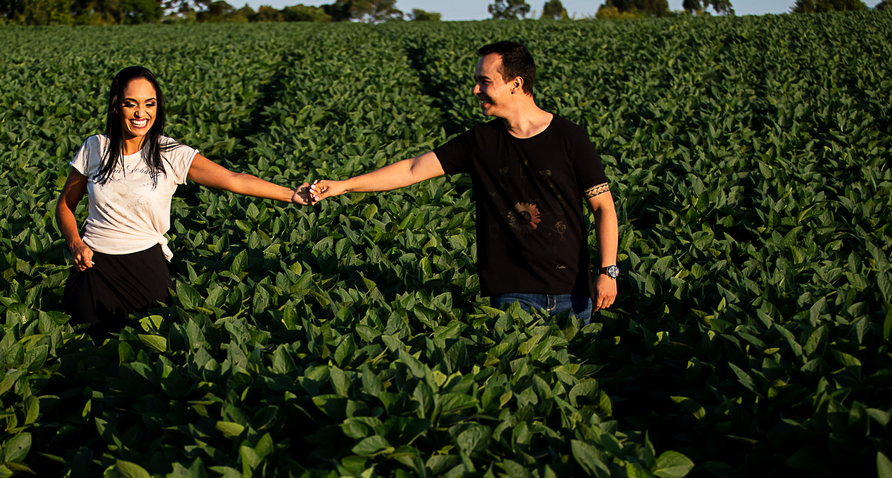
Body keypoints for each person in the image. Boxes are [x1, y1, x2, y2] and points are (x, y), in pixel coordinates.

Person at [309, 41, 618, 324]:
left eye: (485, 82)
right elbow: (413, 169)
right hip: (512, 294)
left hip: (572, 292)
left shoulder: (569, 137)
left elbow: (603, 206)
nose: (475, 90)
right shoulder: (480, 142)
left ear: (516, 84)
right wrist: (345, 185)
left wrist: (608, 271)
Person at [55, 65, 311, 332]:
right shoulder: (95, 147)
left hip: (145, 267)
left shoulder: (169, 152)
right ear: (116, 106)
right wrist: (75, 244)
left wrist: (291, 194)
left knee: (153, 344)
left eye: (149, 104)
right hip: (94, 267)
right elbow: (64, 205)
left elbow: (233, 179)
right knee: (88, 348)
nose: (141, 113)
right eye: (131, 104)